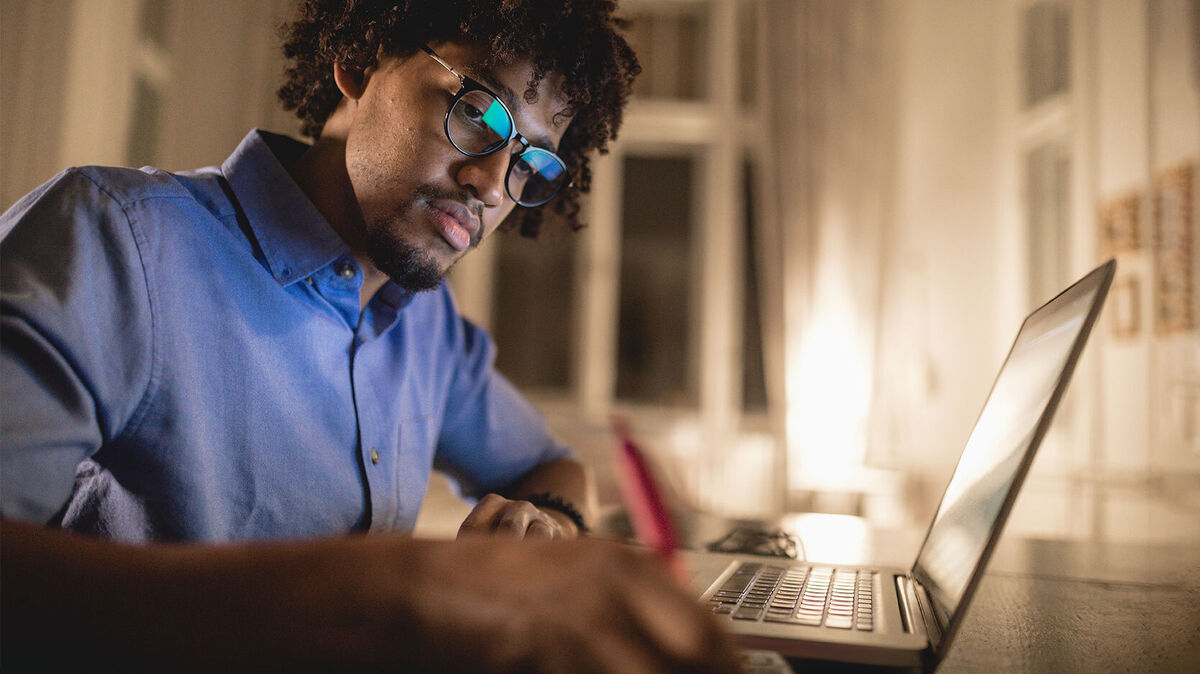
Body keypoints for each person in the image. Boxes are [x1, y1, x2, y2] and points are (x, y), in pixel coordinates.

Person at [0, 0, 740, 670]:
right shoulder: (116, 239)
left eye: (530, 161)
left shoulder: (430, 327)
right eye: (479, 112)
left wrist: (545, 531)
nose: (490, 183)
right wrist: (406, 592)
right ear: (359, 63)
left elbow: (549, 465)